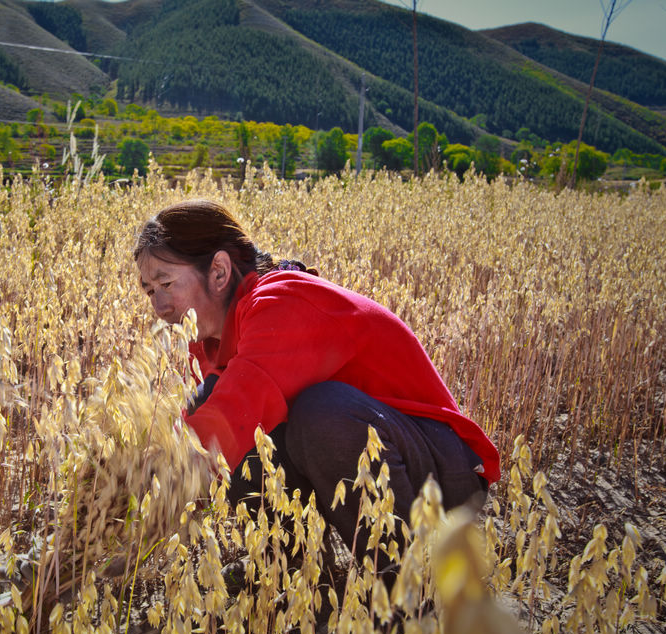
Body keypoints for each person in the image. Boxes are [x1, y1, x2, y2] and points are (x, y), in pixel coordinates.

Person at [134, 198, 499, 561]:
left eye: (166, 283)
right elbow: (212, 424)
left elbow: (235, 413)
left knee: (320, 412)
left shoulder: (281, 301)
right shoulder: (209, 336)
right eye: (150, 291)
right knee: (210, 405)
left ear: (218, 271)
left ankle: (402, 585)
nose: (159, 306)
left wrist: (145, 492)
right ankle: (295, 580)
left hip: (440, 469)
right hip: (376, 460)